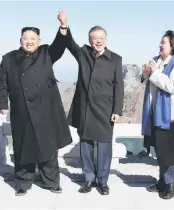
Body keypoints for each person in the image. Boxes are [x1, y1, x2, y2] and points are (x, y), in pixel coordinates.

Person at [0, 11, 72, 196]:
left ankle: (51, 182)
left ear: (38, 40)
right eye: (25, 38)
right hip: (22, 110)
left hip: (46, 111)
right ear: (20, 40)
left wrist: (63, 25)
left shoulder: (46, 52)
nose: (29, 41)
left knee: (48, 148)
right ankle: (22, 183)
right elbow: (2, 82)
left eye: (33, 38)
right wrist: (2, 104)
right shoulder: (9, 58)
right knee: (23, 147)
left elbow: (60, 44)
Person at [63, 14, 124, 195]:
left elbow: (119, 86)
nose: (98, 41)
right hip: (85, 109)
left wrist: (117, 110)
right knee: (86, 146)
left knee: (105, 147)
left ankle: (103, 181)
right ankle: (89, 179)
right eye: (94, 38)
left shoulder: (115, 59)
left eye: (101, 38)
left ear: (106, 40)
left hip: (105, 110)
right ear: (90, 40)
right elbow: (69, 42)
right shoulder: (83, 53)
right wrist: (65, 25)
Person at [141, 30, 174, 200]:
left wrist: (154, 74)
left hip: (170, 117)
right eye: (160, 42)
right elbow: (152, 82)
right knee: (160, 149)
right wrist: (146, 74)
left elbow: (172, 87)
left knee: (167, 151)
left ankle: (172, 184)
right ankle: (162, 181)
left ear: (172, 46)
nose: (160, 45)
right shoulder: (157, 61)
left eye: (164, 42)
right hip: (156, 113)